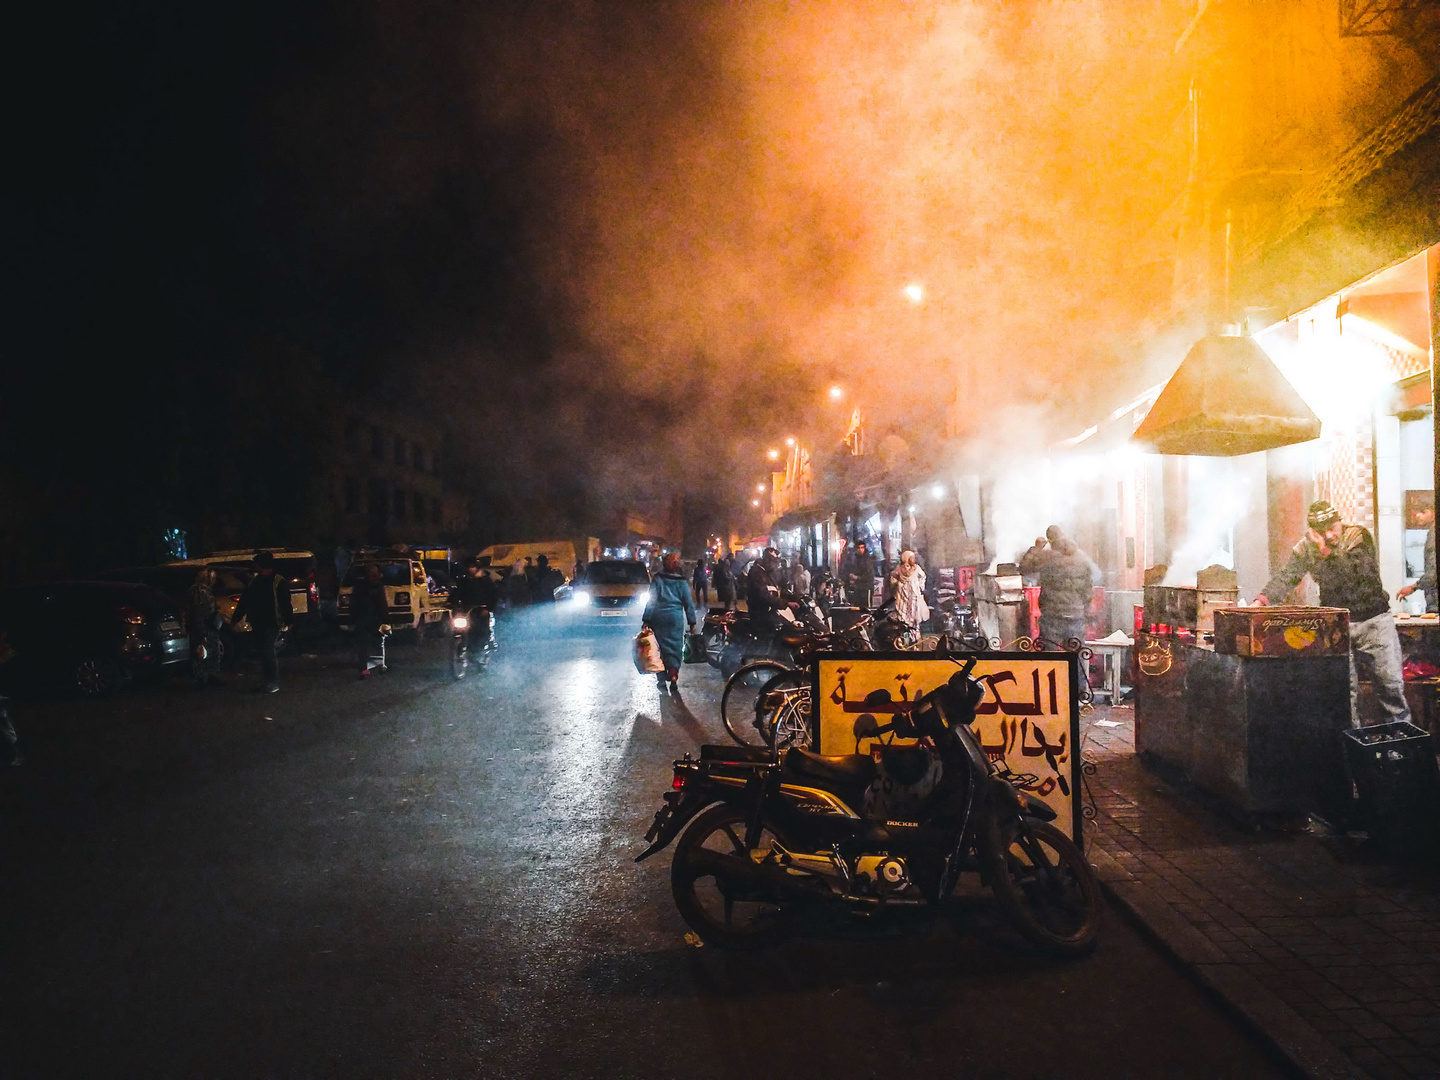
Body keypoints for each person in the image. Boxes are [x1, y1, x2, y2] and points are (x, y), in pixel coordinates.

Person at [1256, 499, 1410, 726]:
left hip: (1375, 621)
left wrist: (1325, 551)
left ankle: (1402, 744)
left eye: (1332, 528)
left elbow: (1356, 576)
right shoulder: (1307, 547)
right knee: (1344, 692)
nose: (1328, 535)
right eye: (1321, 531)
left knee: (1390, 686)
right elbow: (1287, 577)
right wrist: (1261, 601)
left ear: (1340, 522)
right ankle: (1351, 747)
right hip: (1338, 624)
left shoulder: (1358, 537)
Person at [231, 551, 292, 693]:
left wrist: (288, 621)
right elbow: (245, 602)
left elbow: (285, 602)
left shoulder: (277, 580)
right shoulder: (255, 582)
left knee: (267, 650)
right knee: (263, 651)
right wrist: (236, 618)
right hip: (258, 622)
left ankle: (273, 682)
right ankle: (268, 681)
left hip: (272, 622)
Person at [642, 552, 697, 696]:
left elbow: (652, 600)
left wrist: (646, 619)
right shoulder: (681, 582)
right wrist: (692, 622)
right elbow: (688, 603)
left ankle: (661, 679)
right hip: (675, 619)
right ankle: (673, 676)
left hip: (658, 618)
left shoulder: (658, 579)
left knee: (659, 649)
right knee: (674, 648)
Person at [1037, 537, 1100, 649]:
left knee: (1048, 656)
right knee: (1075, 654)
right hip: (1075, 615)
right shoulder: (1083, 562)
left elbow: (1043, 589)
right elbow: (1088, 591)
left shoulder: (1049, 563)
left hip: (1052, 615)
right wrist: (1084, 610)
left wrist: (1044, 607)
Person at [351, 562, 390, 677]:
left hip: (363, 618)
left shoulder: (359, 586)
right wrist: (386, 620)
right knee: (378, 642)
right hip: (373, 619)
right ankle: (379, 665)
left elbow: (354, 603)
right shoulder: (377, 586)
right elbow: (382, 604)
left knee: (364, 644)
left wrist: (352, 617)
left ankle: (364, 668)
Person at [185, 567, 222, 687]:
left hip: (206, 626)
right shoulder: (200, 592)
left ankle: (208, 677)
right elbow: (197, 612)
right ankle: (201, 678)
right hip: (204, 626)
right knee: (202, 652)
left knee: (208, 651)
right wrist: (201, 632)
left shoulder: (201, 591)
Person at [1397, 512, 1437, 613]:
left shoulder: (1434, 533)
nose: (1417, 515)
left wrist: (1413, 587)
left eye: (1422, 511)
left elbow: (1433, 571)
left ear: (1432, 512)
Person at [887, 550, 928, 636]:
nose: (913, 559)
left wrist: (920, 587)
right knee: (902, 613)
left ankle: (914, 636)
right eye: (911, 557)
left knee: (913, 614)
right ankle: (903, 636)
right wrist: (897, 583)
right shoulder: (899, 568)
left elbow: (922, 577)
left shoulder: (917, 569)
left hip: (913, 596)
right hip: (902, 595)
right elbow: (893, 577)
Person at [746, 547, 787, 630]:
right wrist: (784, 603)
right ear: (768, 560)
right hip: (761, 614)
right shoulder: (757, 573)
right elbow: (763, 595)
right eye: (774, 560)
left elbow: (776, 589)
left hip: (769, 613)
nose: (776, 564)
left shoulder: (766, 573)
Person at [845, 540, 876, 610]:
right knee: (857, 608)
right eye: (859, 548)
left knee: (867, 608)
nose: (860, 550)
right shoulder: (855, 558)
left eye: (862, 548)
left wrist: (857, 578)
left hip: (866, 587)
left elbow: (869, 576)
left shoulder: (868, 559)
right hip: (858, 587)